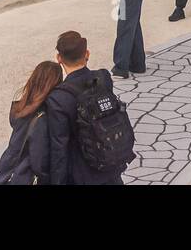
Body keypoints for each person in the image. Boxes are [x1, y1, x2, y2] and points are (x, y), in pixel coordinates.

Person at [46, 31, 134, 185]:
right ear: (87, 53)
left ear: (59, 58)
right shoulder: (103, 79)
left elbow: (59, 149)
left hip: (82, 174)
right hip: (109, 164)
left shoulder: (58, 98)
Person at [0, 60, 61, 185]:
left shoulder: (21, 108)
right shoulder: (41, 117)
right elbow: (39, 161)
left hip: (4, 174)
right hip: (22, 177)